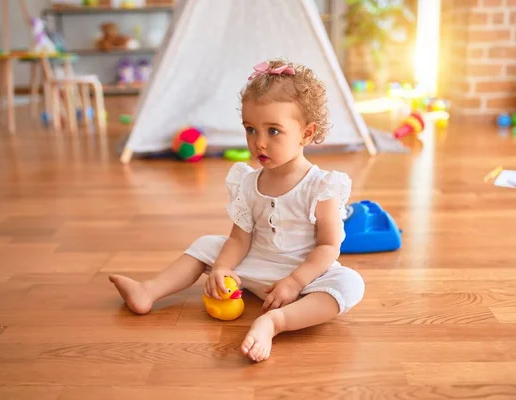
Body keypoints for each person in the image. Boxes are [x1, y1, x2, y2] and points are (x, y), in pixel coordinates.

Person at [109, 59, 365, 362]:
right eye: (250, 129)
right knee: (207, 244)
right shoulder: (247, 181)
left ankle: (275, 321)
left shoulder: (322, 186)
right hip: (254, 264)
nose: (258, 142)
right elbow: (238, 239)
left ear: (306, 134)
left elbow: (328, 246)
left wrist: (295, 282)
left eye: (273, 131)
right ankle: (148, 291)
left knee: (349, 283)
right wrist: (221, 268)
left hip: (302, 274)